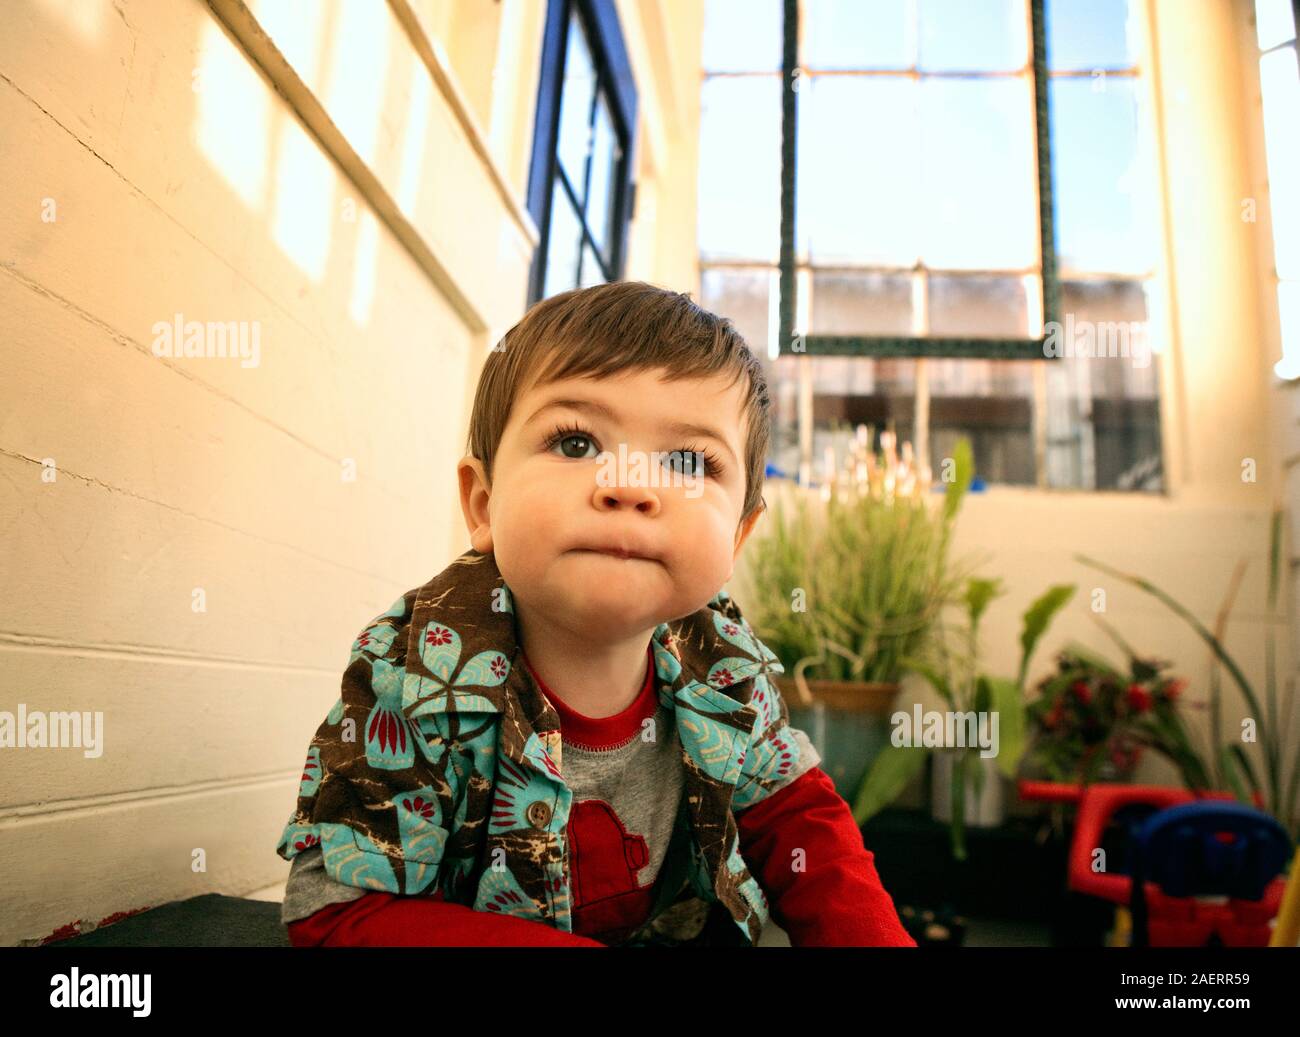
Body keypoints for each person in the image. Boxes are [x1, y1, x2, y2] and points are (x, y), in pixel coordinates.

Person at [276, 281, 916, 947]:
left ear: (737, 537)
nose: (631, 485)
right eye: (577, 443)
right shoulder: (415, 672)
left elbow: (802, 822)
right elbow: (335, 908)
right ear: (484, 503)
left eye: (686, 460)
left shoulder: (724, 666)